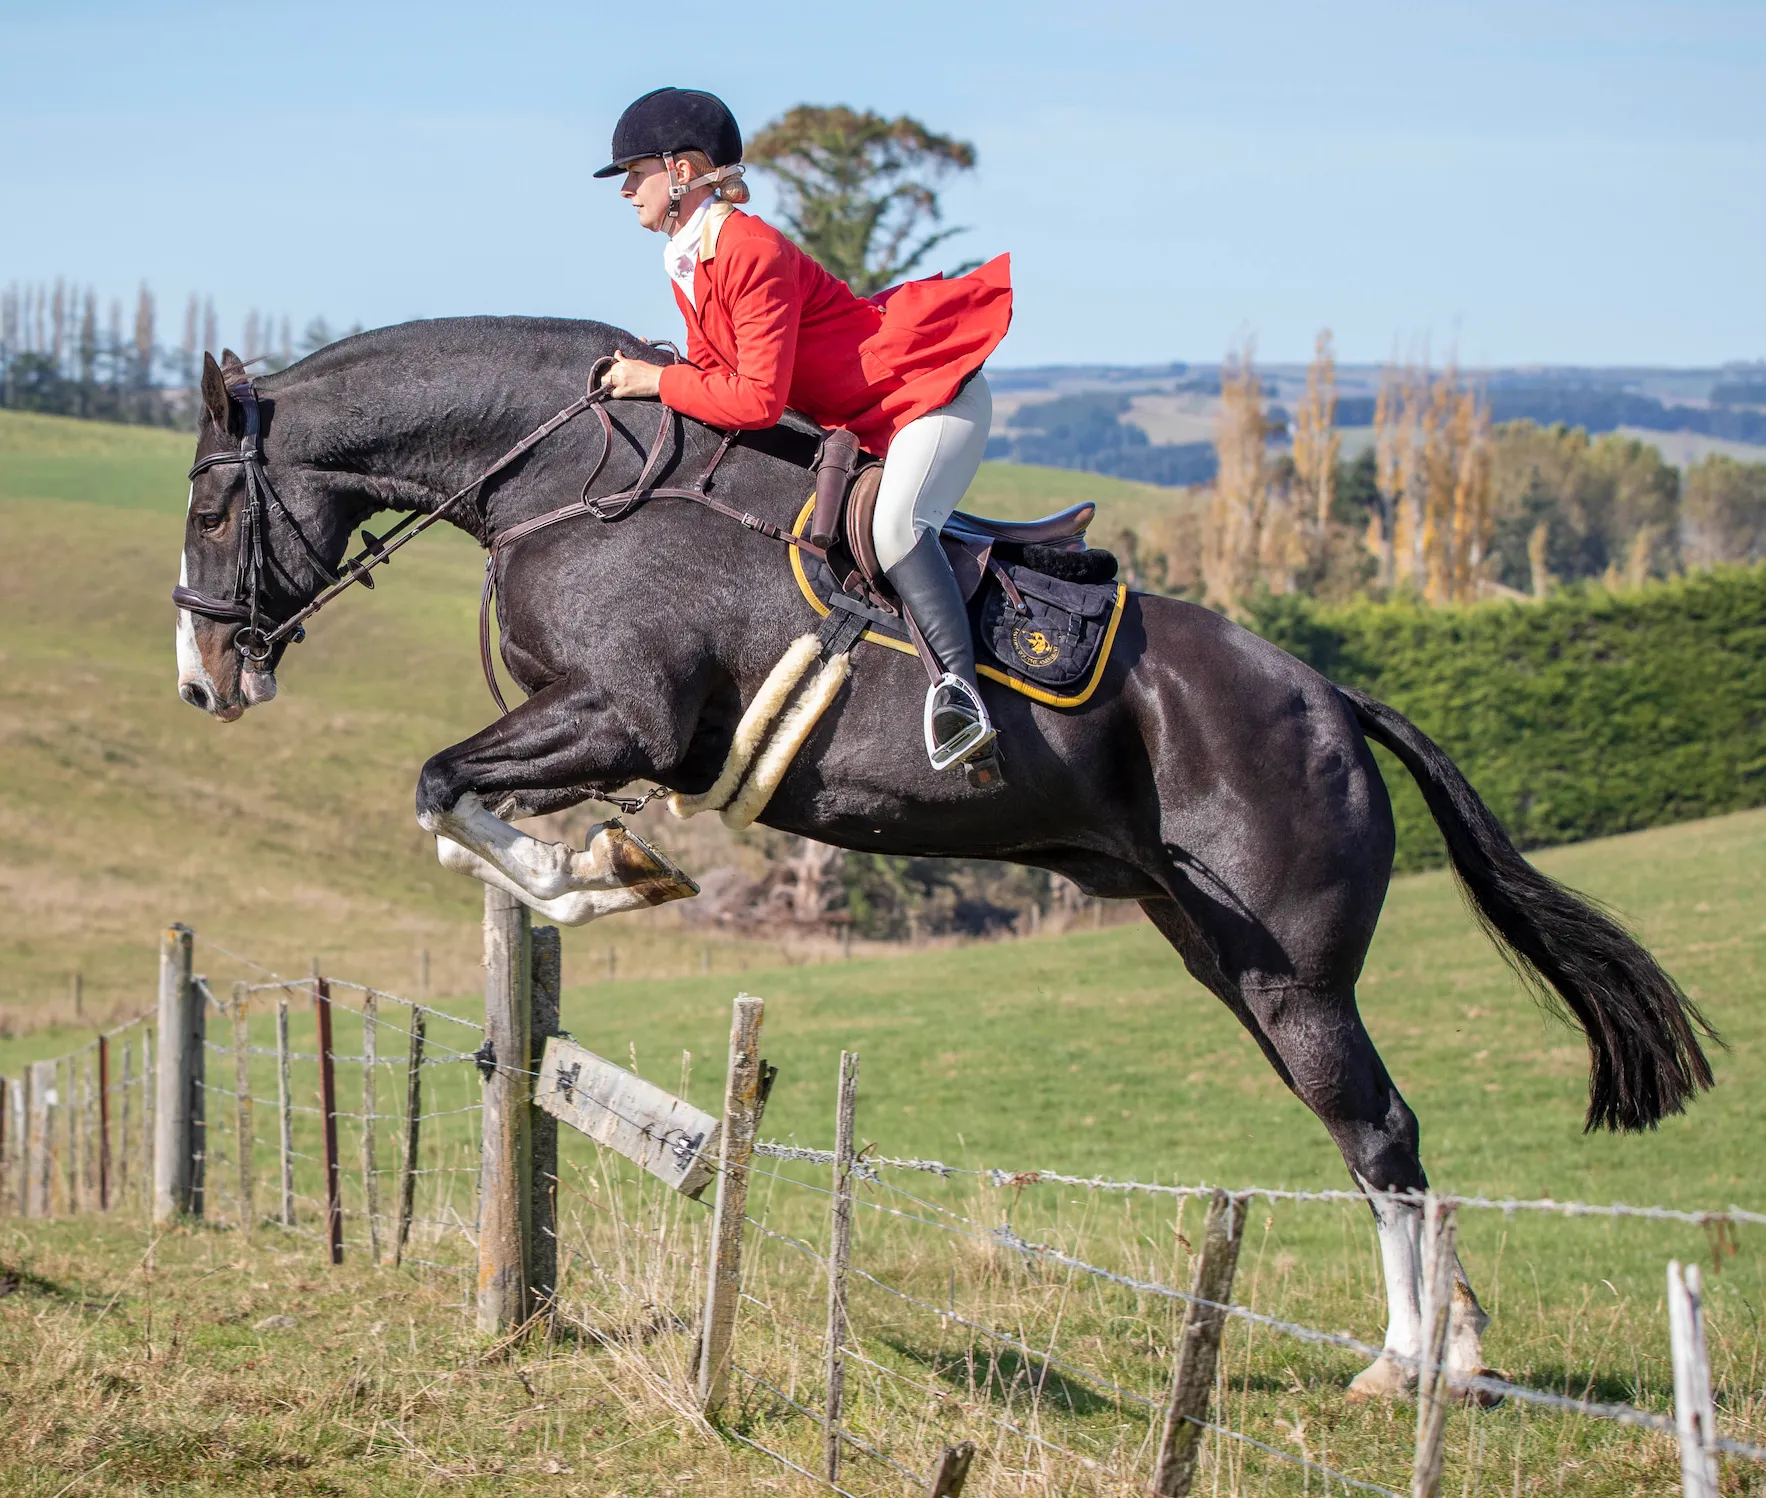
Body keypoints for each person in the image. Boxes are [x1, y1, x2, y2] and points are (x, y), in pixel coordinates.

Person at [596, 87, 1013, 775]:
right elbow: (714, 373)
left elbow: (757, 401)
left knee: (896, 530)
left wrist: (655, 381)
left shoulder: (748, 249)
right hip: (868, 417)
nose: (625, 191)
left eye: (633, 173)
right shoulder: (690, 257)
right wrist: (666, 370)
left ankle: (959, 697)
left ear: (679, 171)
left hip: (929, 400)